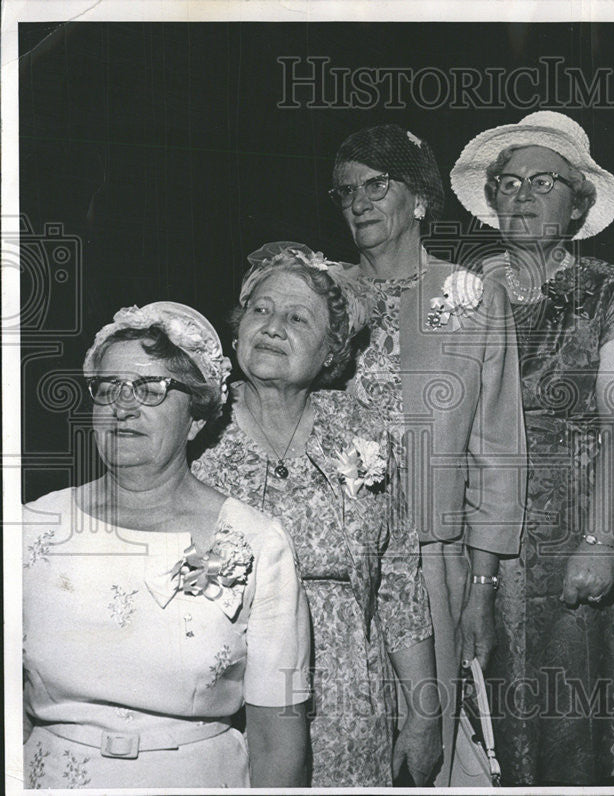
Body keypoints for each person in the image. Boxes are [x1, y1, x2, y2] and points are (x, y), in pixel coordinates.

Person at [450, 110, 614, 785]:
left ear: (577, 205)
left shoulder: (606, 287)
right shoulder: (461, 290)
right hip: (476, 524)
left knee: (568, 710)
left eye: (546, 181)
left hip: (573, 525)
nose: (524, 194)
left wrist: (600, 542)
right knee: (476, 697)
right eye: (509, 182)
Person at [22, 302, 310, 789]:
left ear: (196, 417)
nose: (123, 404)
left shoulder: (259, 542)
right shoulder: (31, 526)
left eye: (150, 388)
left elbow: (277, 738)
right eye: (108, 387)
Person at [191, 244, 440, 787]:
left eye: (297, 317)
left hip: (351, 696)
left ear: (331, 352)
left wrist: (423, 716)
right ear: (235, 332)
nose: (273, 326)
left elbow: (399, 581)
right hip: (232, 693)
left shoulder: (363, 430)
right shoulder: (195, 425)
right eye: (260, 310)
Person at [330, 124, 526, 785]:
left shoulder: (472, 301)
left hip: (431, 565)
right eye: (347, 190)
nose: (358, 201)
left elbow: (497, 450)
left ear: (418, 199)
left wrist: (481, 588)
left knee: (421, 759)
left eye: (377, 185)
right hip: (331, 567)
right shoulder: (319, 299)